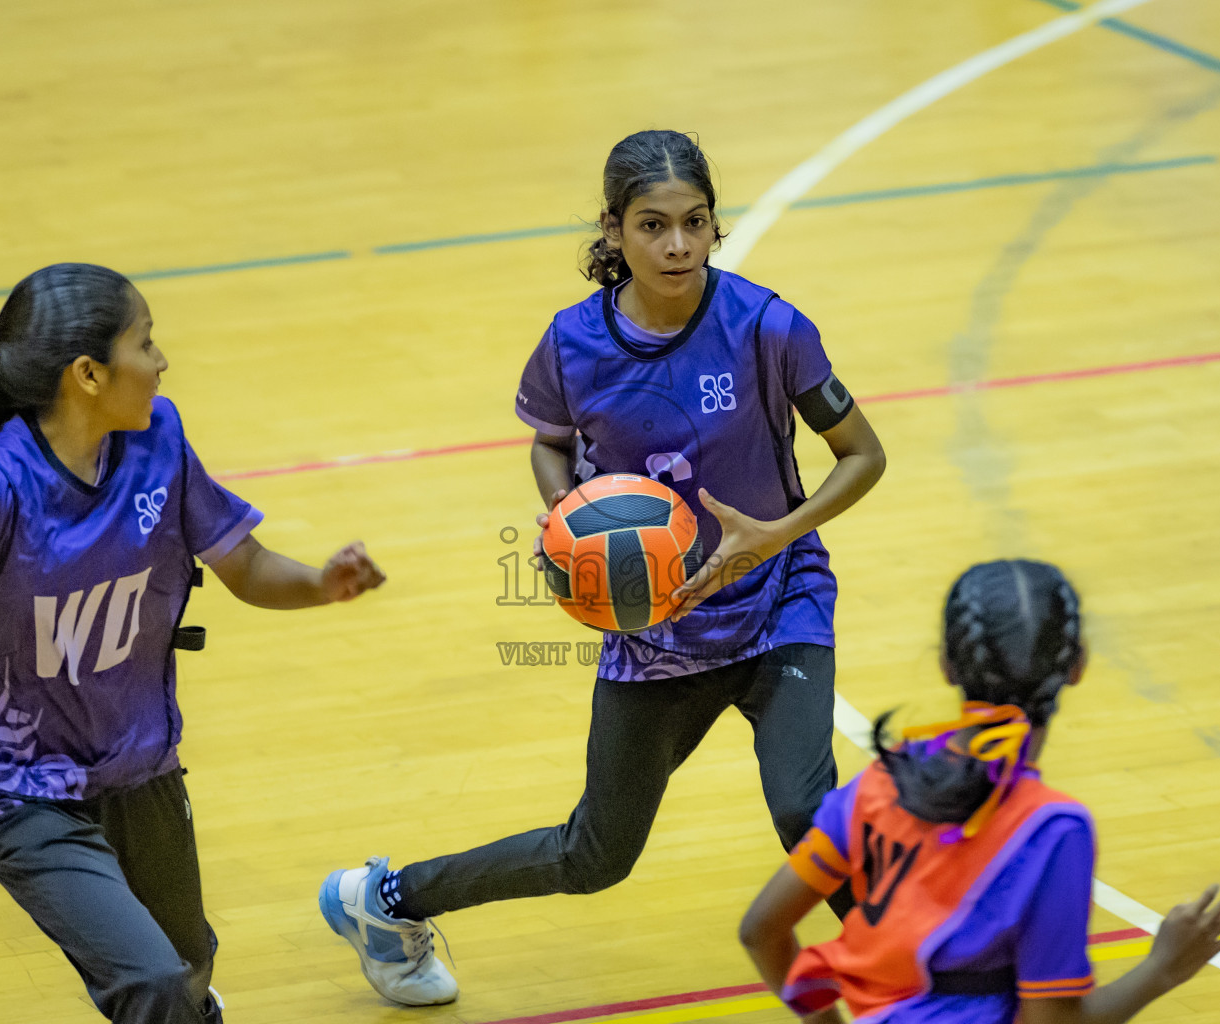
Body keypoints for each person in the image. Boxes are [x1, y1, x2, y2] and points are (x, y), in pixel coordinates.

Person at [319, 129, 888, 1005]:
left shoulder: (769, 326)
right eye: (654, 226)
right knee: (595, 856)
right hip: (655, 629)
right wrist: (567, 521)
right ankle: (387, 900)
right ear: (613, 230)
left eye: (695, 223)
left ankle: (916, 969)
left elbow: (862, 455)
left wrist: (779, 532)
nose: (678, 246)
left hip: (780, 602)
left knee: (804, 809)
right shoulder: (573, 343)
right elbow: (550, 445)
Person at [0, 263, 387, 1024]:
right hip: (11, 782)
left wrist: (321, 582)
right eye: (145, 343)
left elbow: (243, 564)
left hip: (136, 757)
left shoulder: (159, 440)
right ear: (88, 373)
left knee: (185, 972)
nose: (161, 362)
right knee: (150, 984)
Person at [738, 559, 1220, 1024]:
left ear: (946, 666)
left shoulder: (881, 781)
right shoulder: (1053, 828)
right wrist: (1163, 968)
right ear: (1079, 665)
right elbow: (1055, 1022)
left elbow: (761, 930)